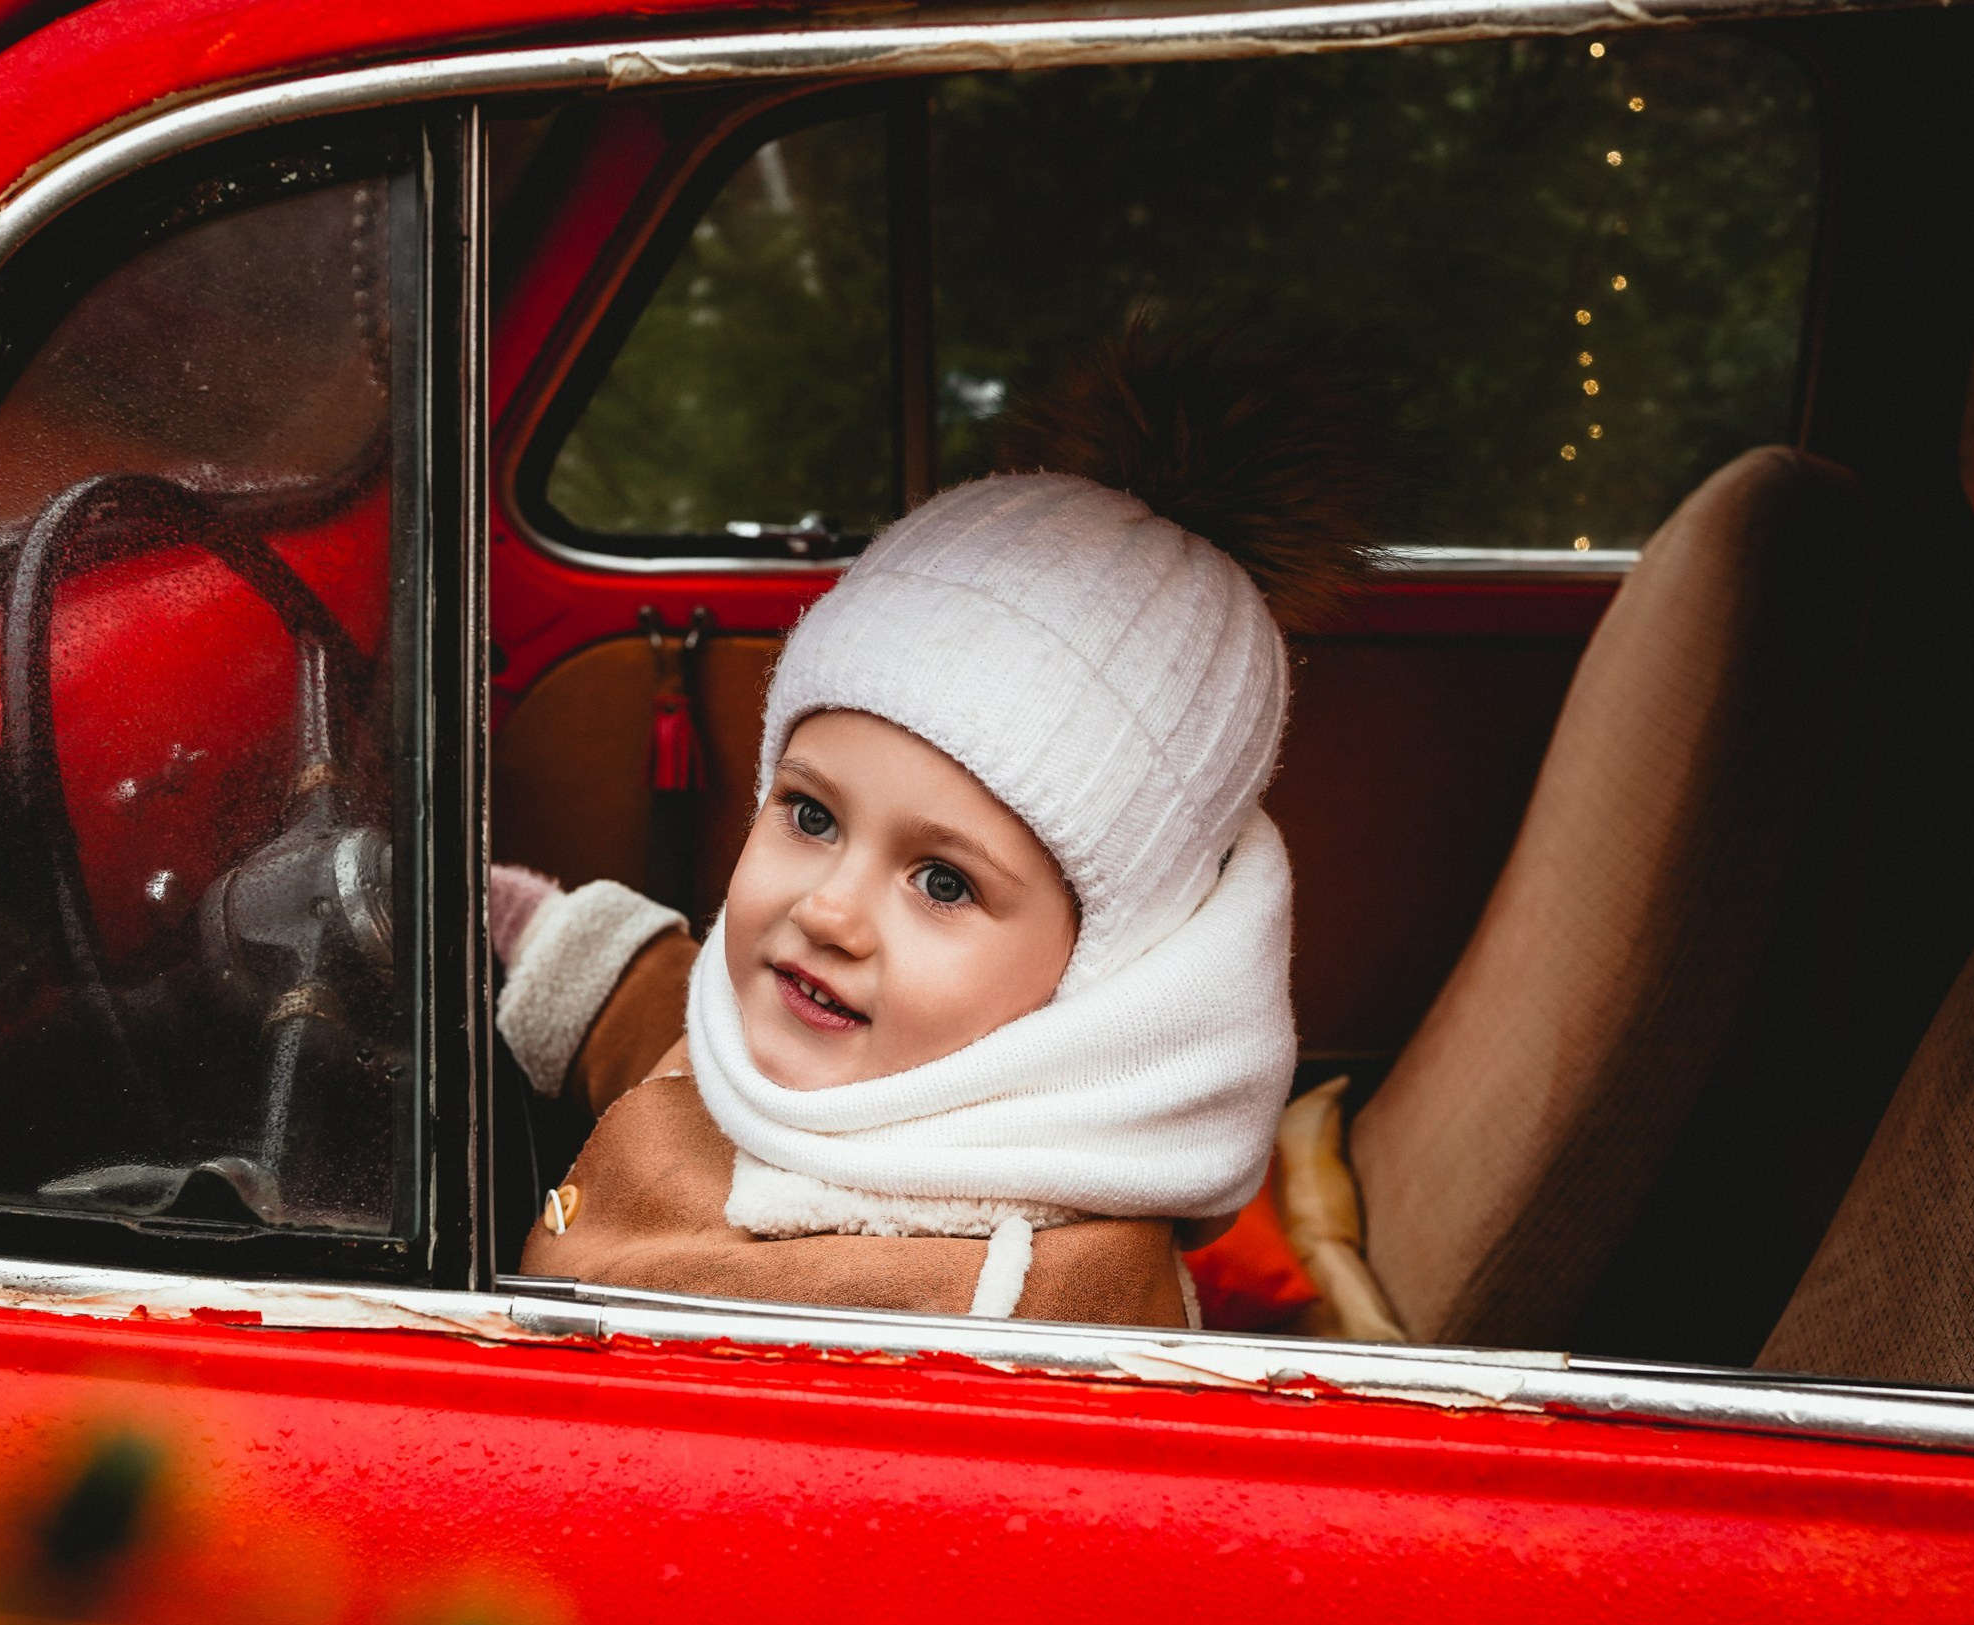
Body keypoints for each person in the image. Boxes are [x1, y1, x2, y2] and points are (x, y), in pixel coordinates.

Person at [494, 332, 1379, 1327]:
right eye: (812, 815)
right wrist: (506, 927)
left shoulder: (1036, 1304)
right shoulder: (781, 1024)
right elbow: (657, 1015)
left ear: (1100, 975)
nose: (828, 910)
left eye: (944, 883)